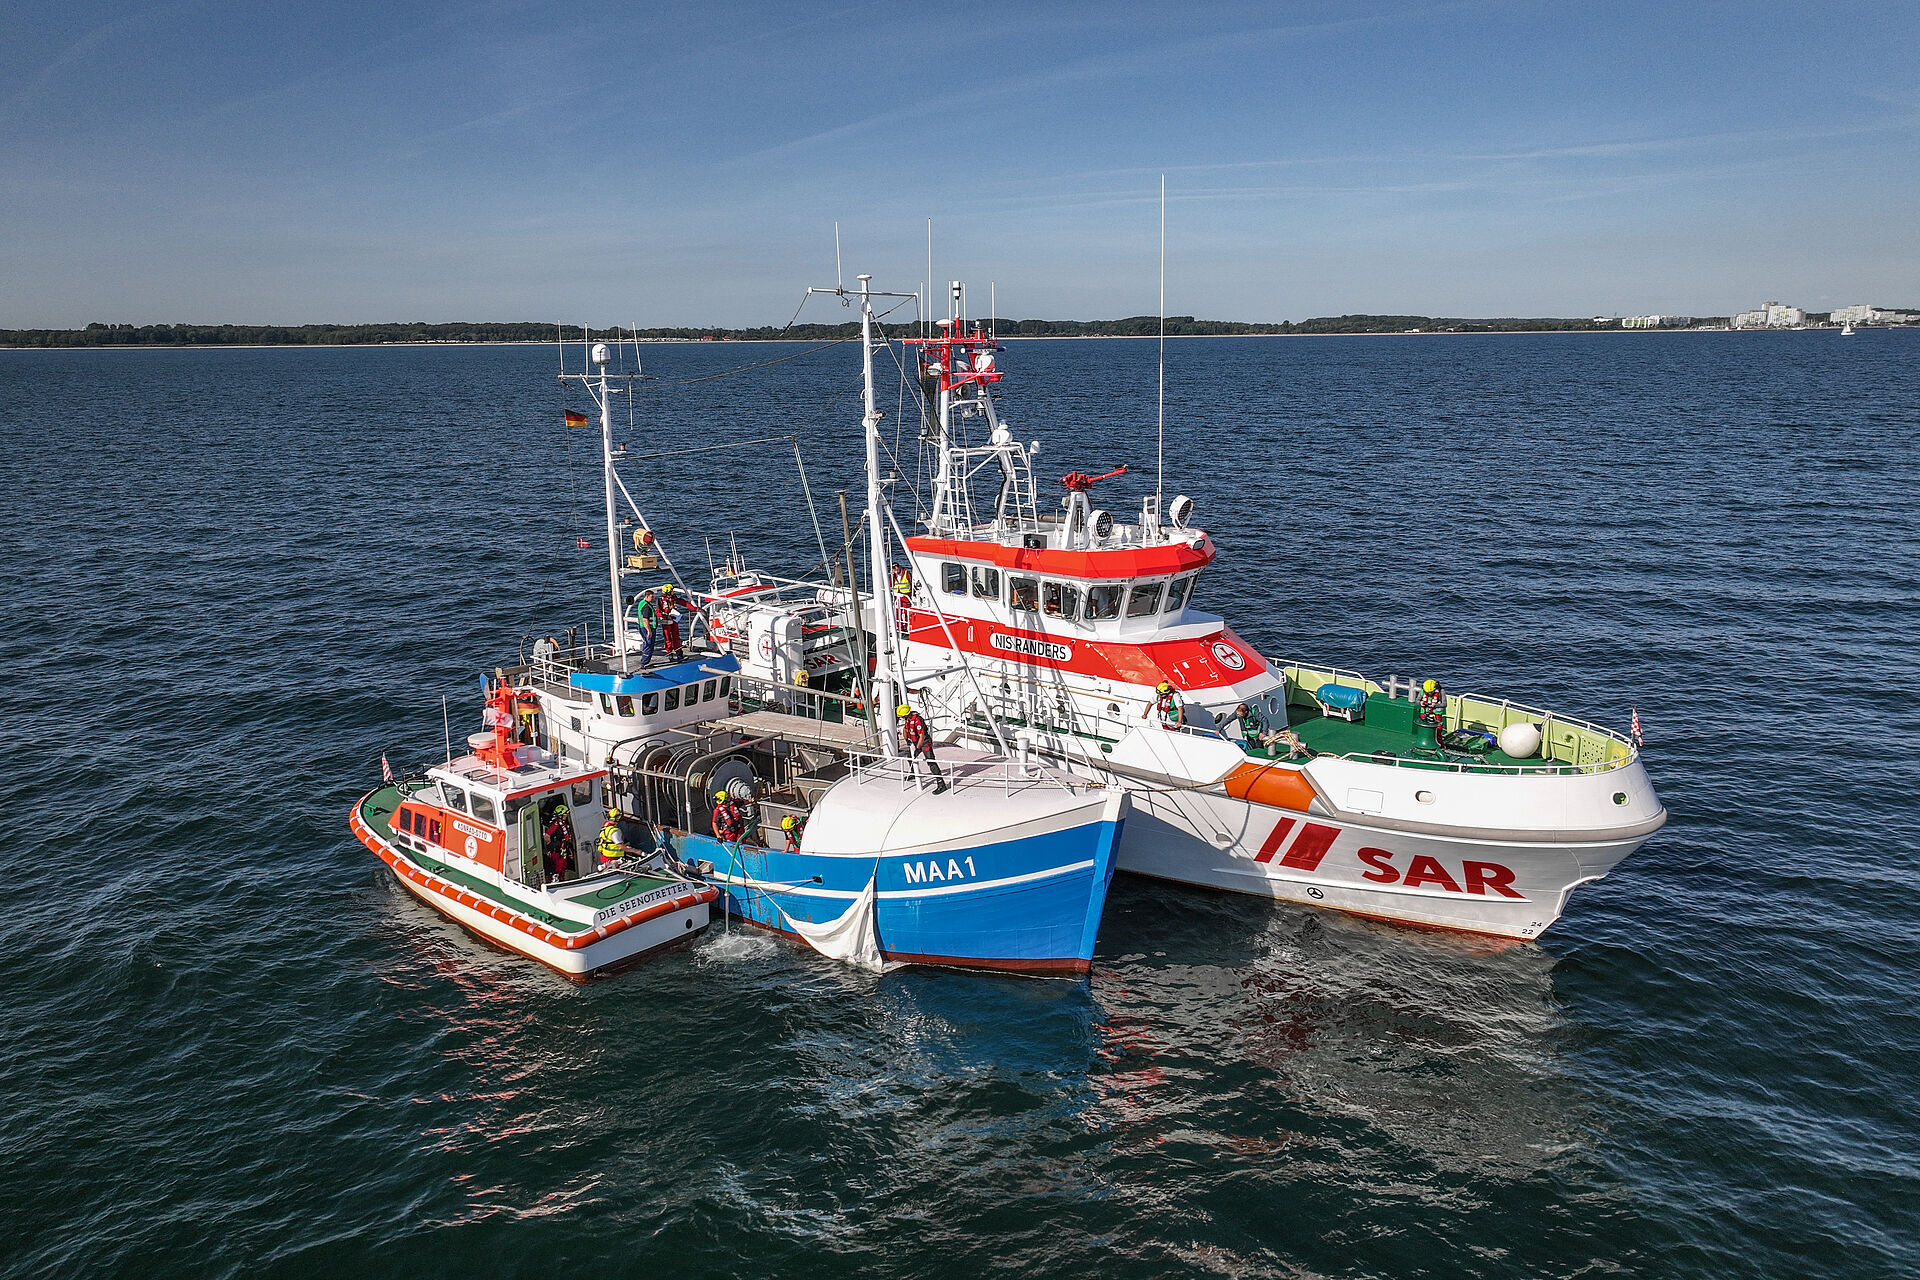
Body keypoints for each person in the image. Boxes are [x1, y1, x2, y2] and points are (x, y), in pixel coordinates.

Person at [897, 703, 945, 793]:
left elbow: (922, 735)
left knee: (931, 762)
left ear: (906, 714)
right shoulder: (907, 720)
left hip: (925, 743)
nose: (902, 718)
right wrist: (906, 738)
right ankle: (914, 772)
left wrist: (918, 748)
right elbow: (905, 729)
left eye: (902, 716)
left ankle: (941, 784)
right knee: (909, 756)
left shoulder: (918, 720)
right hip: (916, 742)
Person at [628, 589, 657, 665]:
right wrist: (649, 630)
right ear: (647, 596)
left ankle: (645, 662)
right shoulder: (646, 607)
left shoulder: (641, 603)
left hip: (642, 627)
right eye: (651, 597)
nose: (653, 598)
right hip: (647, 628)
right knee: (649, 645)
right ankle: (645, 663)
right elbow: (645, 620)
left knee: (646, 644)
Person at [658, 583, 685, 660]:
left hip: (674, 620)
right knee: (668, 638)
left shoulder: (674, 599)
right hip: (666, 622)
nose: (673, 592)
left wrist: (695, 609)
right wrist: (666, 616)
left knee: (676, 637)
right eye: (671, 591)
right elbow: (658, 612)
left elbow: (684, 603)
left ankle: (679, 654)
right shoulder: (660, 601)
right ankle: (670, 654)